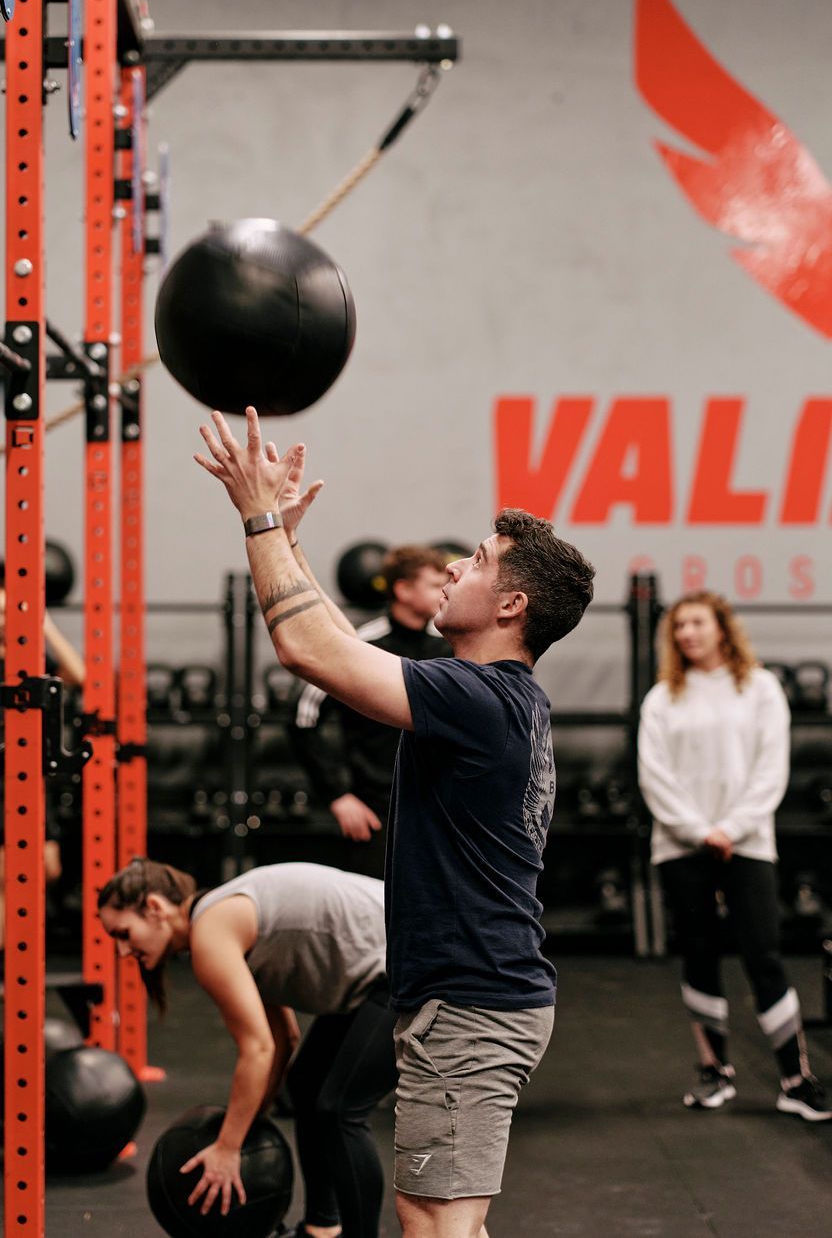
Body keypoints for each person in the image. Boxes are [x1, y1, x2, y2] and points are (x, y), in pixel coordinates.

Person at [194, 408, 596, 1238]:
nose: (455, 563)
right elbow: (343, 651)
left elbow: (309, 650)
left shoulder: (478, 700)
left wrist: (258, 516)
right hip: (475, 993)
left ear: (512, 603)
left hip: (473, 1000)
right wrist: (290, 547)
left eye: (478, 560)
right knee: (450, 1219)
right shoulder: (485, 697)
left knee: (433, 1222)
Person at [99, 857, 396, 1238]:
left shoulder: (211, 931)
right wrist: (252, 1122)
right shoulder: (222, 920)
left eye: (123, 933)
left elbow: (257, 1049)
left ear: (154, 909)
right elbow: (282, 1039)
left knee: (339, 1110)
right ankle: (322, 1228)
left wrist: (229, 1147)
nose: (123, 952)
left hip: (408, 961)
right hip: (374, 975)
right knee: (306, 1083)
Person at [638, 590, 830, 1123]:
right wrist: (700, 831)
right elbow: (655, 777)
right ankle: (714, 1074)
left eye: (697, 623)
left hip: (748, 842)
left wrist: (732, 827)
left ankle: (795, 1079)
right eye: (678, 627)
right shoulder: (662, 698)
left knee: (763, 955)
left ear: (723, 627)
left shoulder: (761, 689)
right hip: (681, 844)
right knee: (699, 954)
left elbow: (772, 769)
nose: (686, 634)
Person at [292, 544, 449, 878]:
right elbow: (303, 716)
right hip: (378, 813)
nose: (445, 591)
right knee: (373, 919)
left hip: (440, 811)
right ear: (403, 590)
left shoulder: (450, 647)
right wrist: (337, 795)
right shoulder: (362, 645)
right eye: (435, 585)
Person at [0, 580, 84, 996]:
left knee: (47, 868)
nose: (5, 619)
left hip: (31, 778)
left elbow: (79, 676)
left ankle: (22, 946)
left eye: (13, 612)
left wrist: (45, 624)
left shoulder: (31, 662)